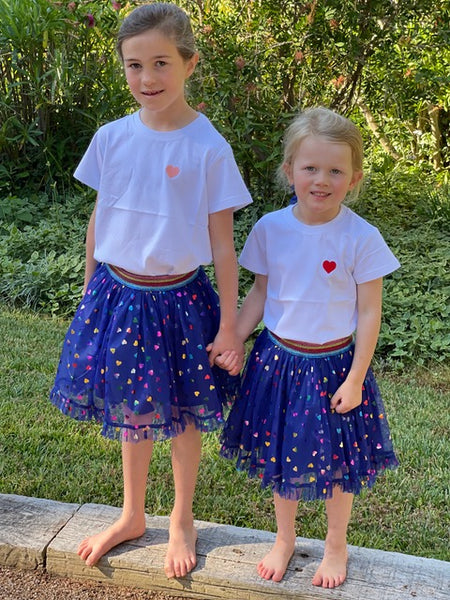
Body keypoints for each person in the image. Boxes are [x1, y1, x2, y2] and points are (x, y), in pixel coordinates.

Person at [50, 2, 252, 579]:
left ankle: (182, 515)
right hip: (117, 296)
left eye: (161, 63)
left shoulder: (208, 148)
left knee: (183, 416)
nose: (147, 79)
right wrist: (91, 287)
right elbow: (99, 216)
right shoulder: (111, 138)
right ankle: (132, 513)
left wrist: (230, 325)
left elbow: (222, 248)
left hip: (182, 302)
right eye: (134, 66)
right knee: (132, 408)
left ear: (189, 63)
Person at [217, 106, 400, 589]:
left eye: (336, 170)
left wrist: (357, 377)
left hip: (336, 365)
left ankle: (337, 543)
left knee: (339, 464)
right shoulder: (271, 229)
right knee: (284, 457)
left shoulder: (362, 238)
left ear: (354, 177)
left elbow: (368, 313)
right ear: (289, 170)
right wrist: (233, 334)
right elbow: (259, 292)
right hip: (278, 363)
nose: (322, 180)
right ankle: (284, 537)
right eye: (310, 168)